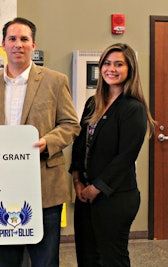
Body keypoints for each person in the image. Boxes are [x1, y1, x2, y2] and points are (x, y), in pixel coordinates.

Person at [0, 17, 80, 267]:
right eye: (12, 39)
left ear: (33, 44)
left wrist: (47, 141)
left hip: (45, 187)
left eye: (24, 39)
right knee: (6, 261)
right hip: (0, 189)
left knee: (45, 261)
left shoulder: (55, 81)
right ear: (3, 44)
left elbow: (71, 125)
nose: (18, 44)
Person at [69, 43, 156, 266]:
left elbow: (125, 157)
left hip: (114, 196)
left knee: (111, 258)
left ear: (130, 70)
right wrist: (77, 180)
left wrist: (96, 187)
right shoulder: (93, 103)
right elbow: (80, 144)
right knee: (87, 257)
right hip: (85, 194)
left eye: (119, 64)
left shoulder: (133, 108)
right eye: (107, 64)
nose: (111, 69)